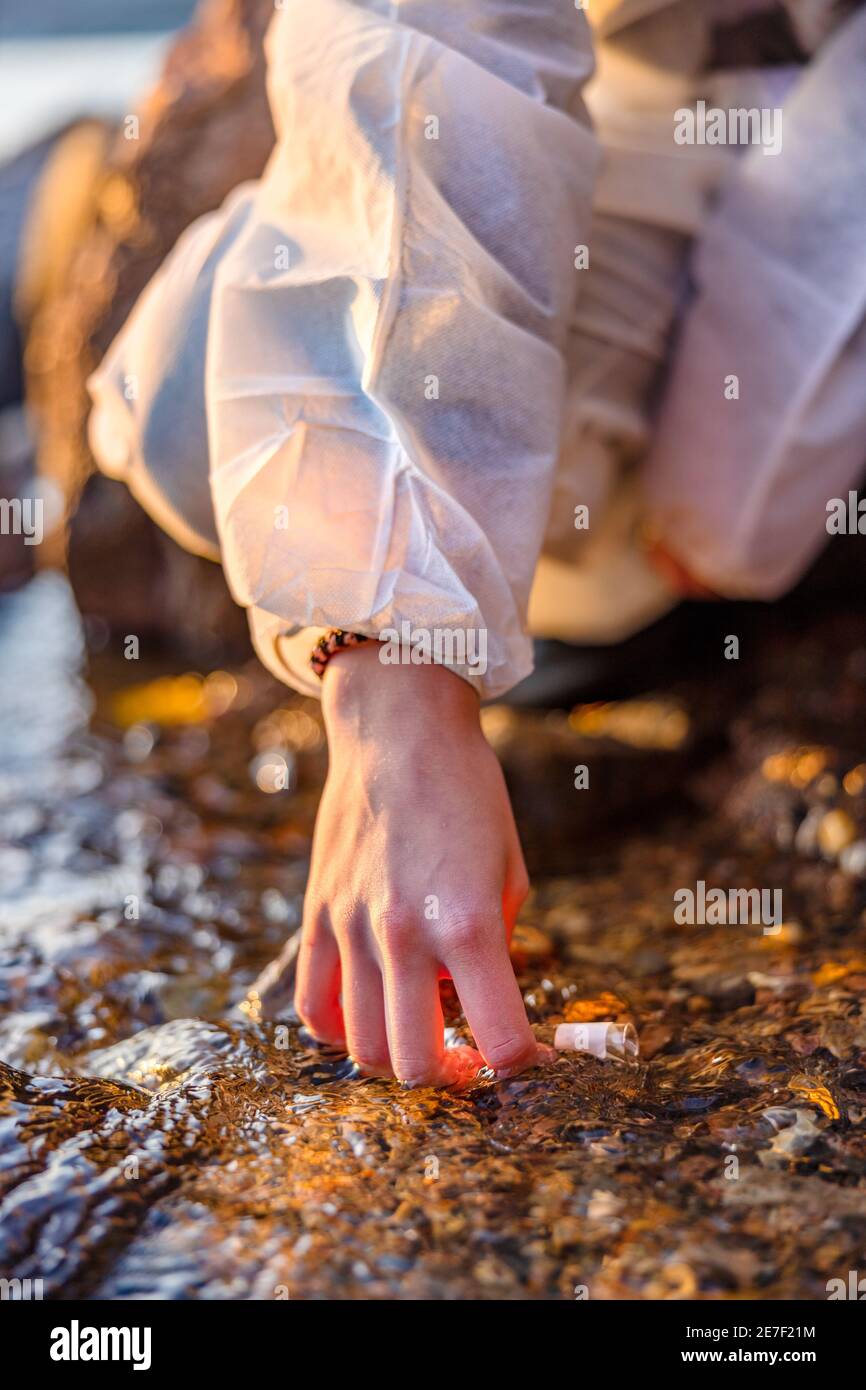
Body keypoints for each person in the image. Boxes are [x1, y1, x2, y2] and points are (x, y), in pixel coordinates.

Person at [86, 0, 866, 1085]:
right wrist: (391, 669)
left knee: (709, 526)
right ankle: (555, 600)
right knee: (184, 411)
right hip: (666, 87)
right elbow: (436, 29)